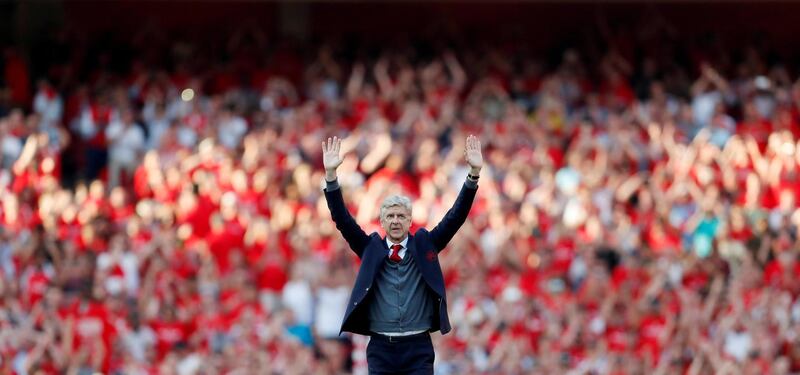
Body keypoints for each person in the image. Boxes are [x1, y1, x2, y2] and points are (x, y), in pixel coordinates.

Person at [321, 134, 483, 374]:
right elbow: (342, 219)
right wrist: (332, 177)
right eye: (390, 216)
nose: (395, 221)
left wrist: (473, 175)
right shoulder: (370, 248)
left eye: (401, 216)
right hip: (380, 347)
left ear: (409, 220)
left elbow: (455, 218)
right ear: (382, 222)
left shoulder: (424, 244)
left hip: (418, 346)